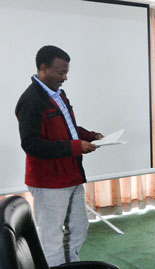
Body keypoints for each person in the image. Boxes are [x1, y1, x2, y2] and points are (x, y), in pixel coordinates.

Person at [15, 45, 103, 266]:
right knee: (51, 238)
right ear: (43, 69)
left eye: (66, 73)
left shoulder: (58, 93)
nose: (65, 78)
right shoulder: (30, 101)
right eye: (60, 72)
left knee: (79, 228)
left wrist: (90, 136)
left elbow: (68, 128)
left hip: (71, 175)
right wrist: (75, 147)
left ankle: (70, 265)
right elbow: (32, 145)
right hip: (49, 183)